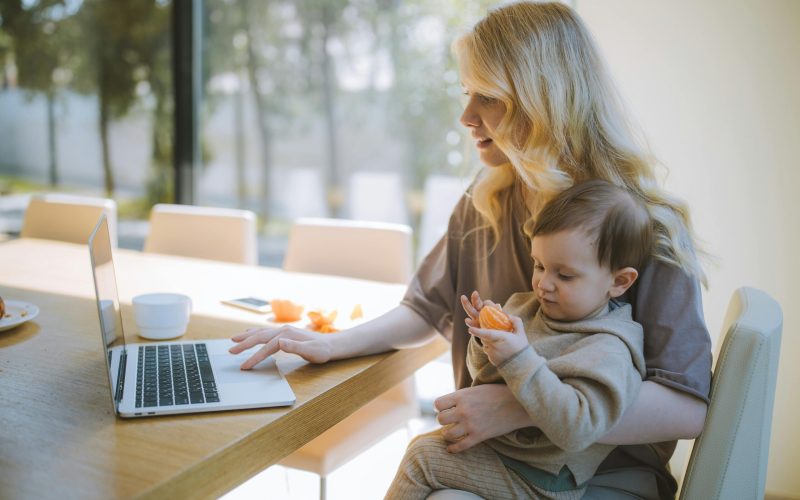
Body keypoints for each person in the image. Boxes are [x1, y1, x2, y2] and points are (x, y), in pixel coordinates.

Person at [229, 2, 711, 497]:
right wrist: (331, 343)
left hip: (603, 476)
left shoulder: (642, 225)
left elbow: (688, 406)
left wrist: (517, 406)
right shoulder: (487, 199)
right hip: (501, 456)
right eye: (466, 93)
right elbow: (425, 309)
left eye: (489, 97)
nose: (466, 116)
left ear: (544, 101)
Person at [385, 179, 652, 499]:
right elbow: (485, 378)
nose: (544, 284)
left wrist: (519, 357)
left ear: (619, 281)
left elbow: (577, 429)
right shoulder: (528, 307)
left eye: (564, 275)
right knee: (424, 445)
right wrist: (485, 342)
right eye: (539, 265)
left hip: (544, 479)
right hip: (505, 454)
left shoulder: (609, 346)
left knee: (422, 458)